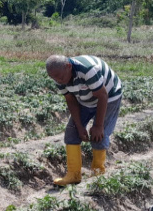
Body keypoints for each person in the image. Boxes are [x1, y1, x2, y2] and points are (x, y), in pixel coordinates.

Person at [45, 55, 123, 186]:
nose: (58, 81)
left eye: (60, 77)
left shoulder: (87, 70)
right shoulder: (59, 75)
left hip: (109, 97)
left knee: (99, 134)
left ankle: (98, 173)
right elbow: (71, 100)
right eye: (54, 78)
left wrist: (98, 125)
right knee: (72, 132)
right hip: (85, 99)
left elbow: (102, 96)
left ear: (68, 67)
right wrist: (80, 127)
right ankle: (73, 175)